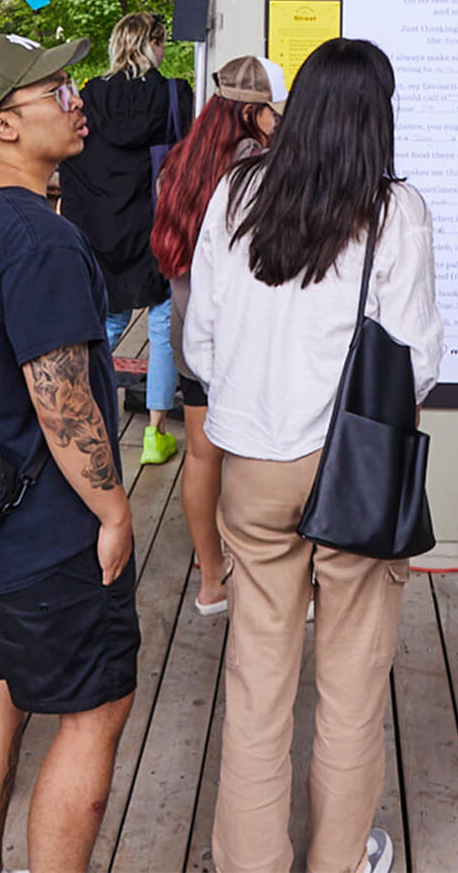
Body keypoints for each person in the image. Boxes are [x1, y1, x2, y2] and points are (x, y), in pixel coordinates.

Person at [185, 38, 442, 873]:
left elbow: (201, 341)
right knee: (352, 684)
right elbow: (417, 360)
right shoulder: (394, 210)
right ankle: (339, 859)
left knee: (258, 681)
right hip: (354, 470)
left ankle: (250, 862)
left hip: (252, 466)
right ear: (380, 115)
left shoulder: (238, 192)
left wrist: (256, 401)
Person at [0, 34, 139, 873]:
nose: (77, 96)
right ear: (5, 124)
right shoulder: (38, 238)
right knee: (93, 715)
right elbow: (63, 403)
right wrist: (114, 509)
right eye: (57, 88)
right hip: (47, 526)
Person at [150, 55, 285, 617]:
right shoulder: (259, 168)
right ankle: (257, 572)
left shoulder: (180, 161)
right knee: (253, 457)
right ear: (256, 113)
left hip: (189, 333)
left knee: (202, 456)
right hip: (244, 341)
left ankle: (211, 579)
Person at [58, 11, 192, 466]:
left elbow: (73, 162)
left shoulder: (89, 97)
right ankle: (154, 435)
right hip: (157, 226)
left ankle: (86, 419)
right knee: (161, 329)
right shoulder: (174, 94)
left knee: (105, 324)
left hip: (103, 228)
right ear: (153, 43)